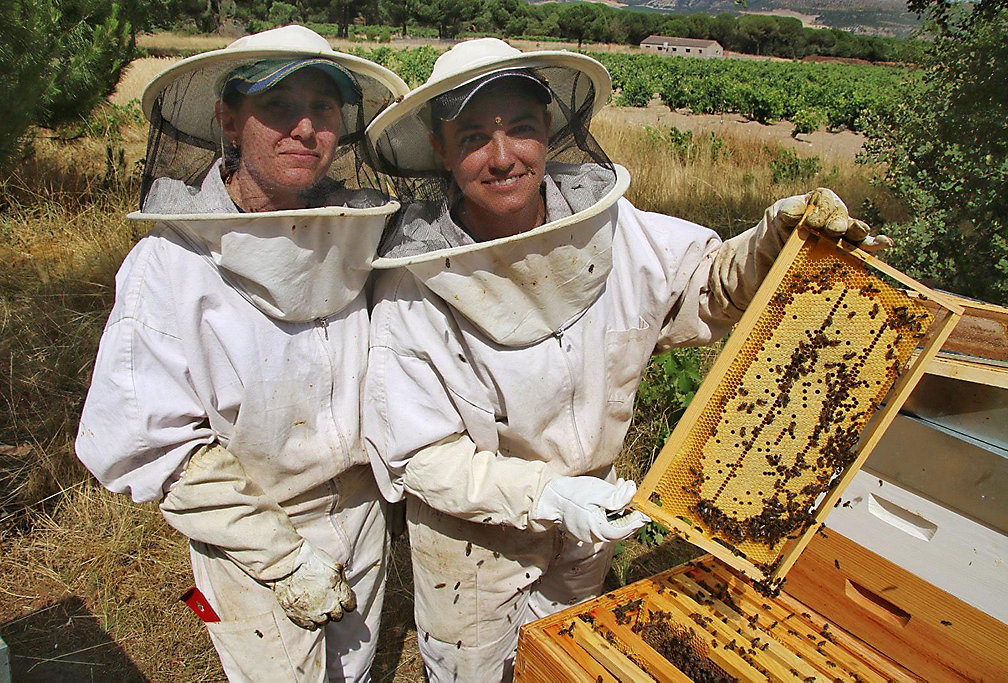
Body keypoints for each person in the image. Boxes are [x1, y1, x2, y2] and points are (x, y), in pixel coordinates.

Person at [361, 38, 889, 681]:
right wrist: (549, 495)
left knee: (565, 664)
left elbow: (708, 285)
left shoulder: (617, 230)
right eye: (474, 136)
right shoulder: (412, 285)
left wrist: (776, 239)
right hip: (475, 554)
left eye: (522, 129)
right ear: (441, 148)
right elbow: (419, 456)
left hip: (590, 533)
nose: (503, 157)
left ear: (550, 133)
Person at [75, 26, 408, 681]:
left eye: (323, 107)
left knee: (356, 670)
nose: (305, 127)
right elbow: (155, 444)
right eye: (278, 106)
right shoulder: (167, 267)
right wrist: (285, 558)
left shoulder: (356, 237)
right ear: (229, 120)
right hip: (252, 538)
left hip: (364, 515)